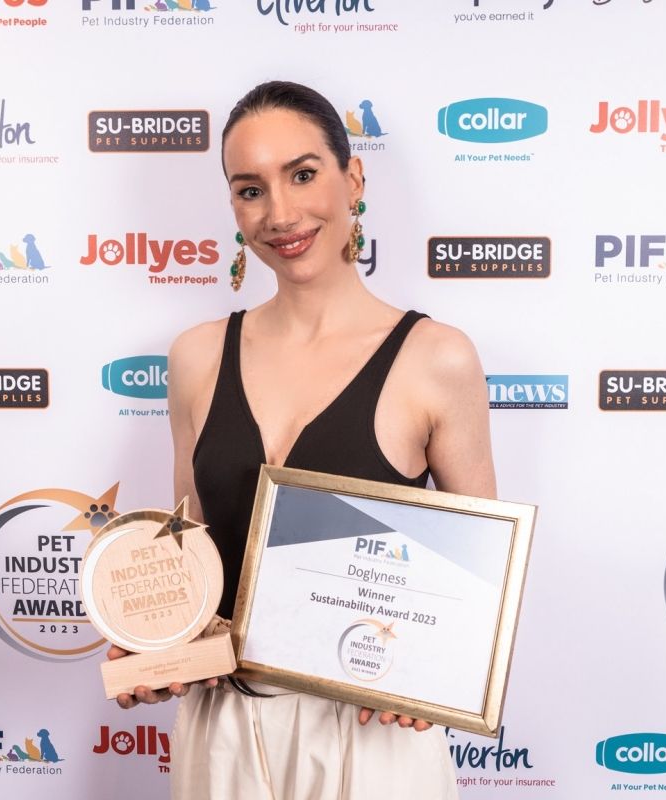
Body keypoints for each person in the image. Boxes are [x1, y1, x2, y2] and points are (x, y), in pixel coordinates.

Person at [108, 80, 497, 799]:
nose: (281, 214)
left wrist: (436, 665)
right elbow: (190, 565)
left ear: (354, 179)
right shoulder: (196, 357)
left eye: (304, 174)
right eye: (250, 190)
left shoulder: (437, 358)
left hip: (373, 740)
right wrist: (154, 645)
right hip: (225, 733)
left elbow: (480, 583)